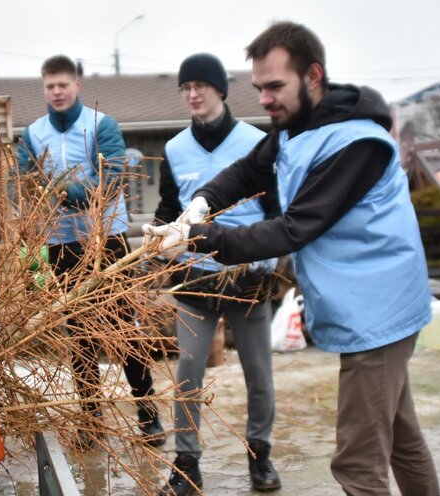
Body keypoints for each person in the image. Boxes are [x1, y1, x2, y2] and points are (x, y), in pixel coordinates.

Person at [144, 22, 440, 495]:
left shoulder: (355, 142)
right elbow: (245, 172)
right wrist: (197, 206)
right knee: (402, 441)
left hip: (377, 311)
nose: (264, 99)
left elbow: (294, 227)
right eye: (260, 87)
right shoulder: (293, 128)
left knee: (358, 466)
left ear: (314, 75)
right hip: (360, 306)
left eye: (276, 86)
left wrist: (199, 239)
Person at [16, 54, 165, 448]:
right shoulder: (32, 134)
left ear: (77, 85)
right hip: (61, 243)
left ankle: (148, 414)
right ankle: (91, 420)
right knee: (79, 334)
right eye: (50, 86)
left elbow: (112, 179)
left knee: (120, 326)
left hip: (106, 239)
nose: (57, 92)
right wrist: (34, 200)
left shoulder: (101, 125)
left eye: (63, 84)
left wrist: (64, 191)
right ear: (43, 89)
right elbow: (25, 181)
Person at [153, 53, 281, 495]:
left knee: (259, 375)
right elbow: (169, 208)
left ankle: (260, 455)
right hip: (195, 277)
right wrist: (161, 239)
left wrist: (272, 254)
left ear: (220, 90)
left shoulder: (256, 141)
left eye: (200, 86)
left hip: (249, 276)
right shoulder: (174, 149)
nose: (192, 94)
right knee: (187, 371)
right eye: (185, 87)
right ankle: (186, 464)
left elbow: (275, 206)